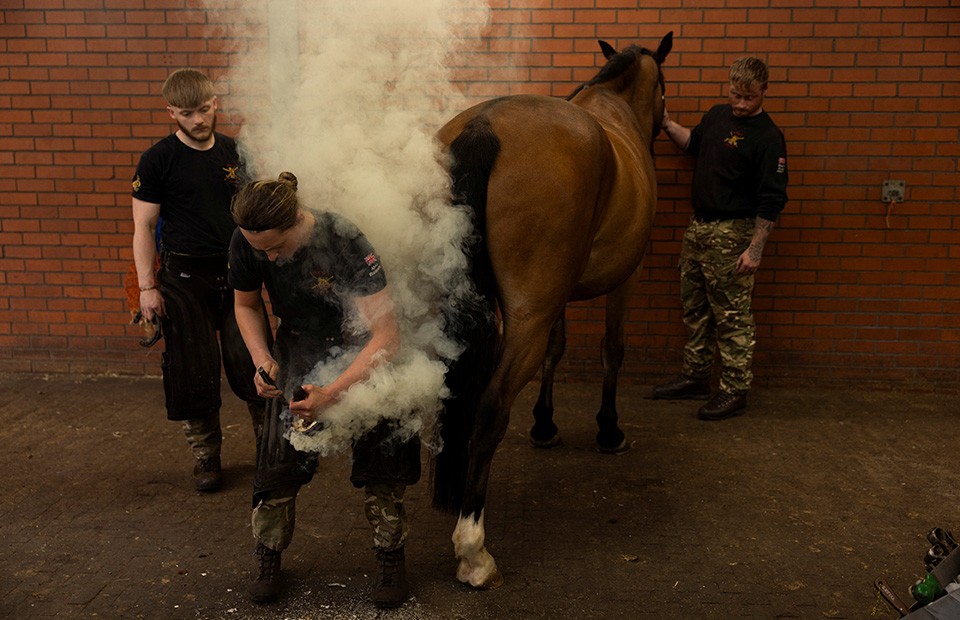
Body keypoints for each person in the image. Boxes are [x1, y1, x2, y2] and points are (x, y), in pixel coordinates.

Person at [228, 172, 420, 609]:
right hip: (300, 341)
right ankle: (269, 552)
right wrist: (263, 360)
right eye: (262, 251)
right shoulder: (248, 240)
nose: (271, 259)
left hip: (362, 346)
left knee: (385, 454)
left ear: (297, 221)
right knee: (277, 459)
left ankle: (391, 553)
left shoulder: (345, 239)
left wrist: (334, 392)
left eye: (276, 247)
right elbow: (245, 304)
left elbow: (386, 336)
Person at [131, 68, 267, 492]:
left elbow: (257, 216)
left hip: (235, 274)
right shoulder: (158, 160)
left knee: (254, 361)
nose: (198, 120)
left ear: (214, 104)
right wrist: (146, 287)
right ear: (171, 111)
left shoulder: (235, 151)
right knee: (194, 371)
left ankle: (270, 449)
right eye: (187, 113)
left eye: (204, 109)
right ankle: (207, 457)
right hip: (182, 276)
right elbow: (143, 226)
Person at [652, 56, 789, 421]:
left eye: (749, 98)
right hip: (699, 228)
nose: (741, 104)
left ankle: (734, 389)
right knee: (695, 308)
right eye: (735, 95)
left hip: (735, 232)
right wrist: (666, 124)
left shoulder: (768, 137)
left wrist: (755, 248)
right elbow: (693, 143)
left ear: (764, 91)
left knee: (732, 316)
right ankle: (696, 376)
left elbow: (772, 198)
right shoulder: (716, 115)